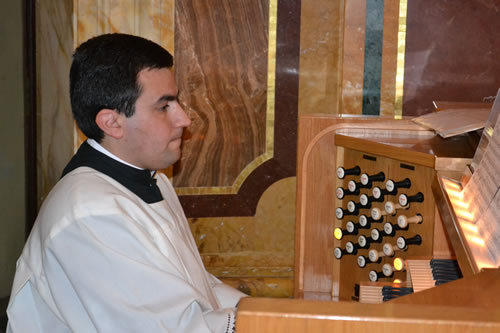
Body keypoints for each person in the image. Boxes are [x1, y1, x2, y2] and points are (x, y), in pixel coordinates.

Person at [7, 33, 246, 333]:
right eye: (164, 106)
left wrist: (263, 311)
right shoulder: (90, 216)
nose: (184, 119)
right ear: (112, 123)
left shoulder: (151, 179)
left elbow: (192, 287)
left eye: (177, 101)